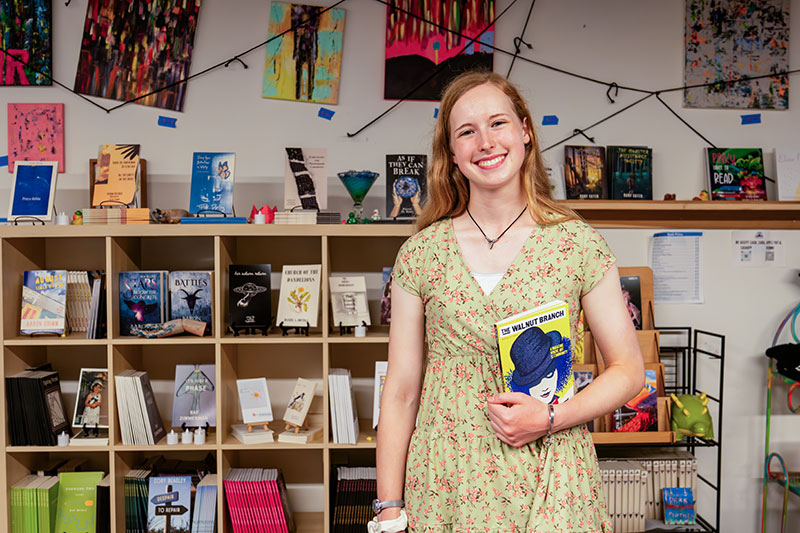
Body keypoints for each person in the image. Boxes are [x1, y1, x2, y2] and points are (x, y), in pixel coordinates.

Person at [373, 71, 645, 533]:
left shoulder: (577, 245)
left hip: (552, 475)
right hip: (446, 480)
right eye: (466, 131)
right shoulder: (420, 254)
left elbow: (628, 371)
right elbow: (400, 390)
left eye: (497, 123)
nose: (485, 141)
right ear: (453, 155)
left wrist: (552, 416)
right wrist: (389, 509)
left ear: (524, 133)